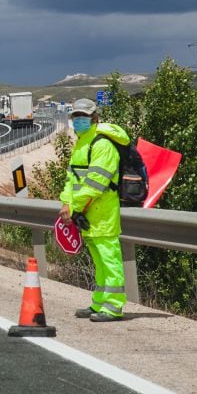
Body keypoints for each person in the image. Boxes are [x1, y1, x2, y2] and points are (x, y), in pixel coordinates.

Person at [59, 97, 129, 322]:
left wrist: (75, 208)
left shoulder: (102, 144)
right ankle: (99, 303)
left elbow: (96, 183)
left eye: (83, 117)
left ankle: (114, 307)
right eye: (75, 117)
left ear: (95, 118)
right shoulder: (82, 143)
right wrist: (66, 204)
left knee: (110, 260)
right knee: (99, 262)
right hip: (86, 213)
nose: (78, 121)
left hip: (102, 214)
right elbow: (72, 179)